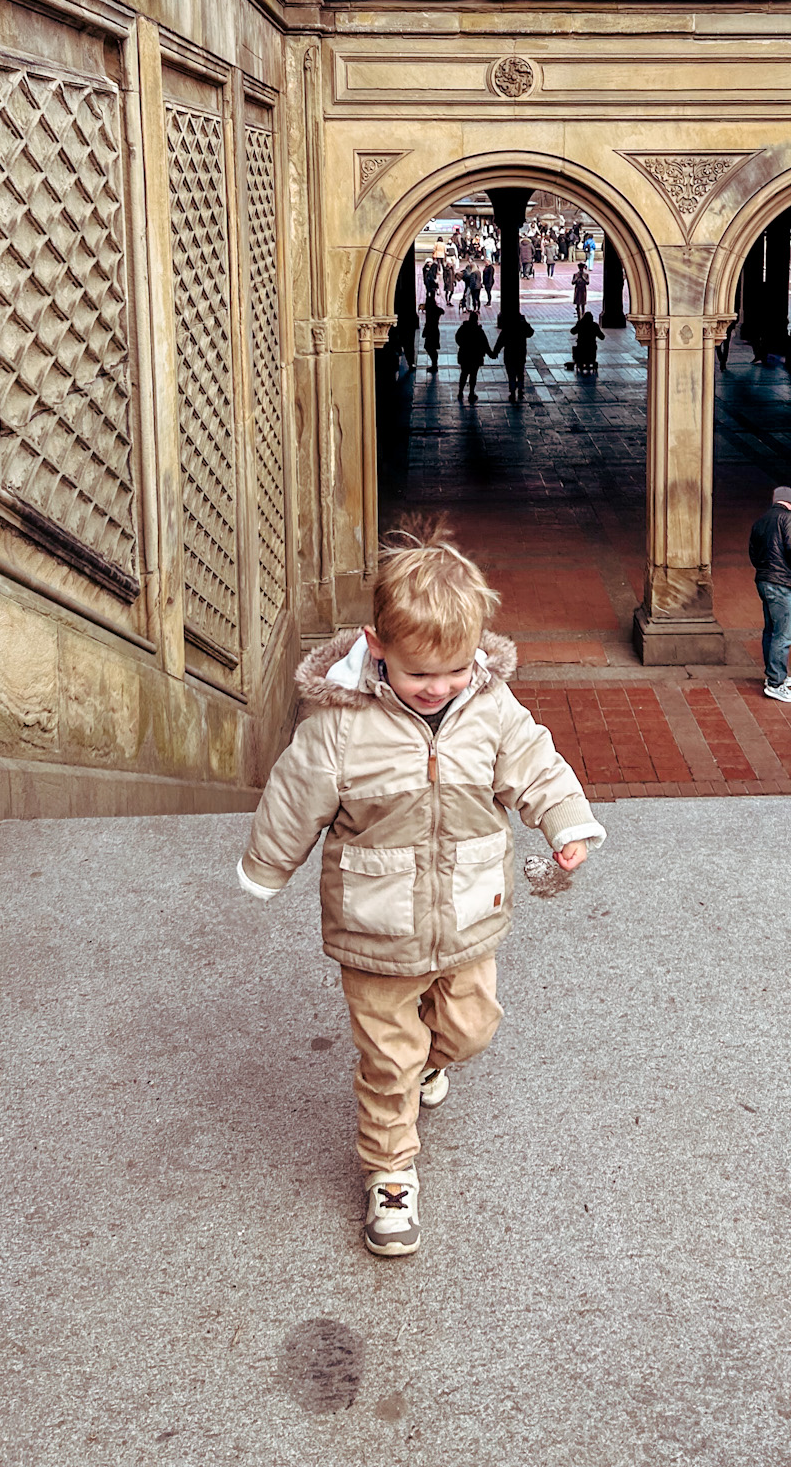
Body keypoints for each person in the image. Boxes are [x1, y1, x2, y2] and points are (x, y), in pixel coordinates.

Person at [237, 532, 604, 1256]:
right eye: (418, 673)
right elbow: (293, 795)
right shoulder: (339, 726)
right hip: (376, 929)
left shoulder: (490, 709)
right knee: (388, 1060)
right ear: (377, 648)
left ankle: (434, 1062)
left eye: (456, 669)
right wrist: (267, 865)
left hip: (468, 916)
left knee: (471, 1030)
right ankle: (391, 1172)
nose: (438, 687)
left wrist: (565, 822)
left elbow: (535, 764)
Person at [748, 485, 791, 702]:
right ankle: (776, 683)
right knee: (783, 634)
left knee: (770, 631)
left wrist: (764, 569)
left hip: (764, 580)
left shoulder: (760, 521)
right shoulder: (790, 519)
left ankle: (774, 673)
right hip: (780, 583)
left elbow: (753, 553)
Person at [491, 309, 534, 399]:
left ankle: (513, 390)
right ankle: (520, 389)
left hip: (509, 353)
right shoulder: (522, 326)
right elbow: (530, 332)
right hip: (520, 352)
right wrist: (525, 323)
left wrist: (495, 352)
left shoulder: (508, 327)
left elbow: (500, 341)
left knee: (511, 373)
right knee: (520, 372)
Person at [455, 310, 490, 402]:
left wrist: (463, 345)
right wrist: (491, 353)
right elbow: (485, 344)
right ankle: (471, 392)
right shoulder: (479, 331)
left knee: (464, 373)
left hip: (465, 355)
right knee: (473, 375)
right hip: (476, 356)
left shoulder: (463, 328)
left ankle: (460, 391)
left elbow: (457, 338)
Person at [571, 310, 604, 375]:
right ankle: (590, 361)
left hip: (581, 347)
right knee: (593, 349)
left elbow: (572, 331)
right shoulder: (594, 326)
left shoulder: (580, 324)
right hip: (591, 348)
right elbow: (602, 337)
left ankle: (580, 361)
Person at [421, 294, 443, 376]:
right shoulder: (435, 310)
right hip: (434, 331)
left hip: (431, 331)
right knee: (432, 348)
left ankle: (434, 364)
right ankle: (434, 364)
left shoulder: (430, 311)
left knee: (430, 348)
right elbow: (442, 311)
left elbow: (428, 323)